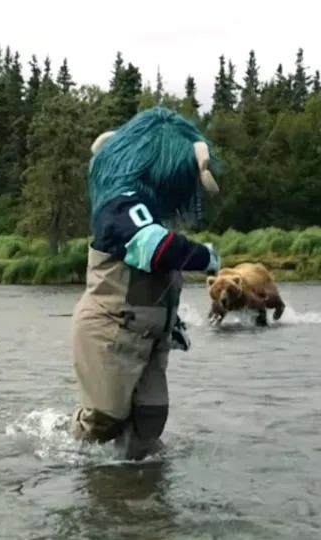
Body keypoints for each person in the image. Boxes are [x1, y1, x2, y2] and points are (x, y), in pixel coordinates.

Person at [69, 107, 222, 460]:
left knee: (150, 422)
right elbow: (154, 247)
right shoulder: (120, 208)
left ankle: (135, 497)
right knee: (104, 419)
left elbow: (161, 273)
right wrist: (204, 256)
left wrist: (175, 324)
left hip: (152, 340)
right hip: (110, 332)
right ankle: (70, 451)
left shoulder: (149, 214)